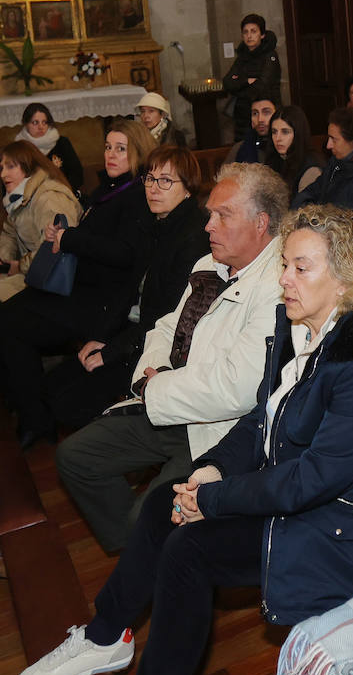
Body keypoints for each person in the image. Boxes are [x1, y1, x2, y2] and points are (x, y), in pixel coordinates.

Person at [21, 205, 353, 675]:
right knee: (172, 499)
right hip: (309, 508)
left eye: (301, 267)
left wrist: (214, 500)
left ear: (348, 279)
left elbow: (310, 480)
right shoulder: (305, 332)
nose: (284, 278)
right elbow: (260, 422)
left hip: (348, 535)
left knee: (190, 553)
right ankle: (105, 636)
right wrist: (212, 471)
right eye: (285, 264)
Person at [55, 163, 288, 553]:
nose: (207, 225)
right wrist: (154, 375)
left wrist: (157, 387)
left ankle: (146, 554)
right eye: (209, 213)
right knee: (76, 456)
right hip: (170, 402)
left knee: (145, 519)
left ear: (260, 223)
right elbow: (165, 327)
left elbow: (237, 389)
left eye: (221, 215)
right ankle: (136, 552)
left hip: (220, 432)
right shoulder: (210, 265)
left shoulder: (277, 285)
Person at [0, 119, 156, 447]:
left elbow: (126, 254)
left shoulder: (137, 195)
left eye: (121, 149)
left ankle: (37, 420)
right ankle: (21, 403)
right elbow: (90, 235)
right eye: (108, 147)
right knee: (5, 317)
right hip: (80, 287)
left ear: (137, 153)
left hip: (102, 302)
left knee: (11, 325)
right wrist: (64, 235)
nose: (111, 155)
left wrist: (71, 239)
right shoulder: (108, 188)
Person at [41, 146, 210, 433]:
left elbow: (168, 316)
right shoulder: (156, 224)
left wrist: (112, 351)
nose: (154, 188)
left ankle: (109, 454)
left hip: (160, 345)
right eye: (150, 179)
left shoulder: (192, 238)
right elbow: (128, 292)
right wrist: (101, 338)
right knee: (52, 385)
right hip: (133, 332)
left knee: (68, 404)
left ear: (188, 189)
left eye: (166, 181)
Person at [0, 141, 83, 307]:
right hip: (36, 271)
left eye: (10, 167)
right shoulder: (20, 196)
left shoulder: (49, 198)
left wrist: (19, 266)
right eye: (1, 168)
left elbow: (56, 248)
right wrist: (3, 262)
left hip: (59, 279)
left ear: (28, 166)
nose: (2, 174)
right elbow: (9, 232)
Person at [222, 13, 281, 141]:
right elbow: (227, 83)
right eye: (245, 32)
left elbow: (262, 86)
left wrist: (239, 86)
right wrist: (246, 81)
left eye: (253, 31)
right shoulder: (242, 57)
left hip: (264, 115)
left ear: (262, 34)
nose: (249, 36)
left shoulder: (270, 56)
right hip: (242, 117)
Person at [16, 102, 84, 193]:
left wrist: (61, 191)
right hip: (32, 200)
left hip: (63, 194)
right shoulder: (18, 148)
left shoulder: (62, 143)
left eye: (44, 122)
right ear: (26, 124)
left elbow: (77, 175)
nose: (41, 127)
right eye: (35, 122)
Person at [265, 105, 325, 192]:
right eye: (274, 132)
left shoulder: (311, 169)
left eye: (285, 132)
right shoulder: (275, 159)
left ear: (298, 134)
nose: (278, 138)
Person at [226, 96, 276, 164]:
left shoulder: (284, 145)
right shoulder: (239, 148)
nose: (260, 119)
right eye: (255, 113)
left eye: (266, 112)